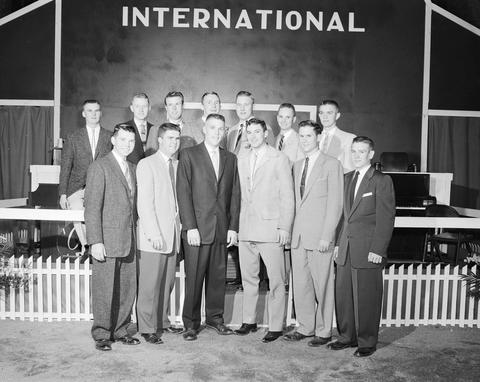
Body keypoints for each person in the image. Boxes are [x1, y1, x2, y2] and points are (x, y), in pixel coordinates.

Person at [328, 136, 395, 357]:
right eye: (354, 151)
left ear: (371, 154)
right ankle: (347, 336)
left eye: (362, 152)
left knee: (367, 297)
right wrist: (338, 243)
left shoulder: (381, 180)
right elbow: (343, 217)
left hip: (368, 250)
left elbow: (386, 219)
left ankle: (367, 341)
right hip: (345, 248)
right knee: (343, 296)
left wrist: (378, 249)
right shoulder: (346, 178)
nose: (357, 155)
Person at [176, 113, 241, 341]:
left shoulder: (231, 159)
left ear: (224, 132)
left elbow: (234, 195)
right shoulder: (189, 155)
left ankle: (215, 319)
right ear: (204, 129)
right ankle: (191, 324)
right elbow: (183, 193)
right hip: (197, 231)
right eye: (212, 127)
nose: (216, 132)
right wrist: (190, 227)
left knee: (217, 278)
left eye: (220, 129)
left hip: (221, 229)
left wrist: (233, 227)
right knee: (193, 279)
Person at [283, 120, 343, 346]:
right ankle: (305, 327)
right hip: (298, 237)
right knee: (301, 285)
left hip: (320, 237)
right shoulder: (297, 165)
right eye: (302, 136)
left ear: (318, 138)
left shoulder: (331, 164)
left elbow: (336, 204)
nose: (305, 139)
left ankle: (324, 331)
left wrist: (327, 236)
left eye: (309, 136)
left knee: (323, 286)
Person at [234, 118, 294, 343]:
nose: (253, 136)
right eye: (249, 132)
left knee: (276, 280)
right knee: (249, 279)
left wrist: (284, 227)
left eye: (257, 132)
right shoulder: (241, 158)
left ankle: (276, 326)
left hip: (270, 229)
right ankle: (249, 320)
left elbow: (288, 196)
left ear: (266, 133)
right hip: (246, 228)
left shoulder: (279, 158)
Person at [84, 124, 139, 351]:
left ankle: (121, 329)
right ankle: (102, 333)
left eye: (131, 141)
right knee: (104, 288)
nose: (127, 144)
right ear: (114, 140)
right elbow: (92, 208)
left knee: (127, 288)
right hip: (106, 240)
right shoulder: (100, 166)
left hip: (129, 239)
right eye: (123, 139)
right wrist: (95, 240)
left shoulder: (134, 168)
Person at [136, 123, 183, 345]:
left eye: (177, 139)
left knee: (166, 283)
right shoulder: (147, 164)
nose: (174, 142)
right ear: (160, 140)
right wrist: (153, 233)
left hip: (172, 234)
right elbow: (144, 204)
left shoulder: (177, 165)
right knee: (149, 285)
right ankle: (146, 327)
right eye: (170, 138)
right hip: (153, 237)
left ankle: (161, 321)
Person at [58, 99, 112, 253]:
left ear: (100, 113)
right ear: (83, 113)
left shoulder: (110, 137)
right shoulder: (73, 137)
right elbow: (66, 167)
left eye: (96, 110)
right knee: (77, 212)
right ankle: (89, 245)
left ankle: (92, 247)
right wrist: (62, 193)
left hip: (101, 187)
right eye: (89, 110)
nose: (93, 114)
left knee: (99, 215)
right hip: (76, 187)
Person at [226, 91, 275, 156]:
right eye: (239, 105)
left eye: (246, 105)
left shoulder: (265, 128)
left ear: (253, 106)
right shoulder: (231, 131)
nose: (242, 108)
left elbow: (271, 157)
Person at [317, 100, 356, 172]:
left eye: (329, 113)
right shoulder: (314, 138)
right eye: (321, 113)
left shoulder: (349, 138)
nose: (324, 116)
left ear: (337, 116)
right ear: (319, 115)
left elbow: (350, 170)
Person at [115, 92, 153, 165]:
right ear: (132, 108)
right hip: (130, 173)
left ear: (149, 108)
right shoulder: (122, 129)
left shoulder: (155, 129)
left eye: (144, 106)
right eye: (137, 106)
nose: (141, 110)